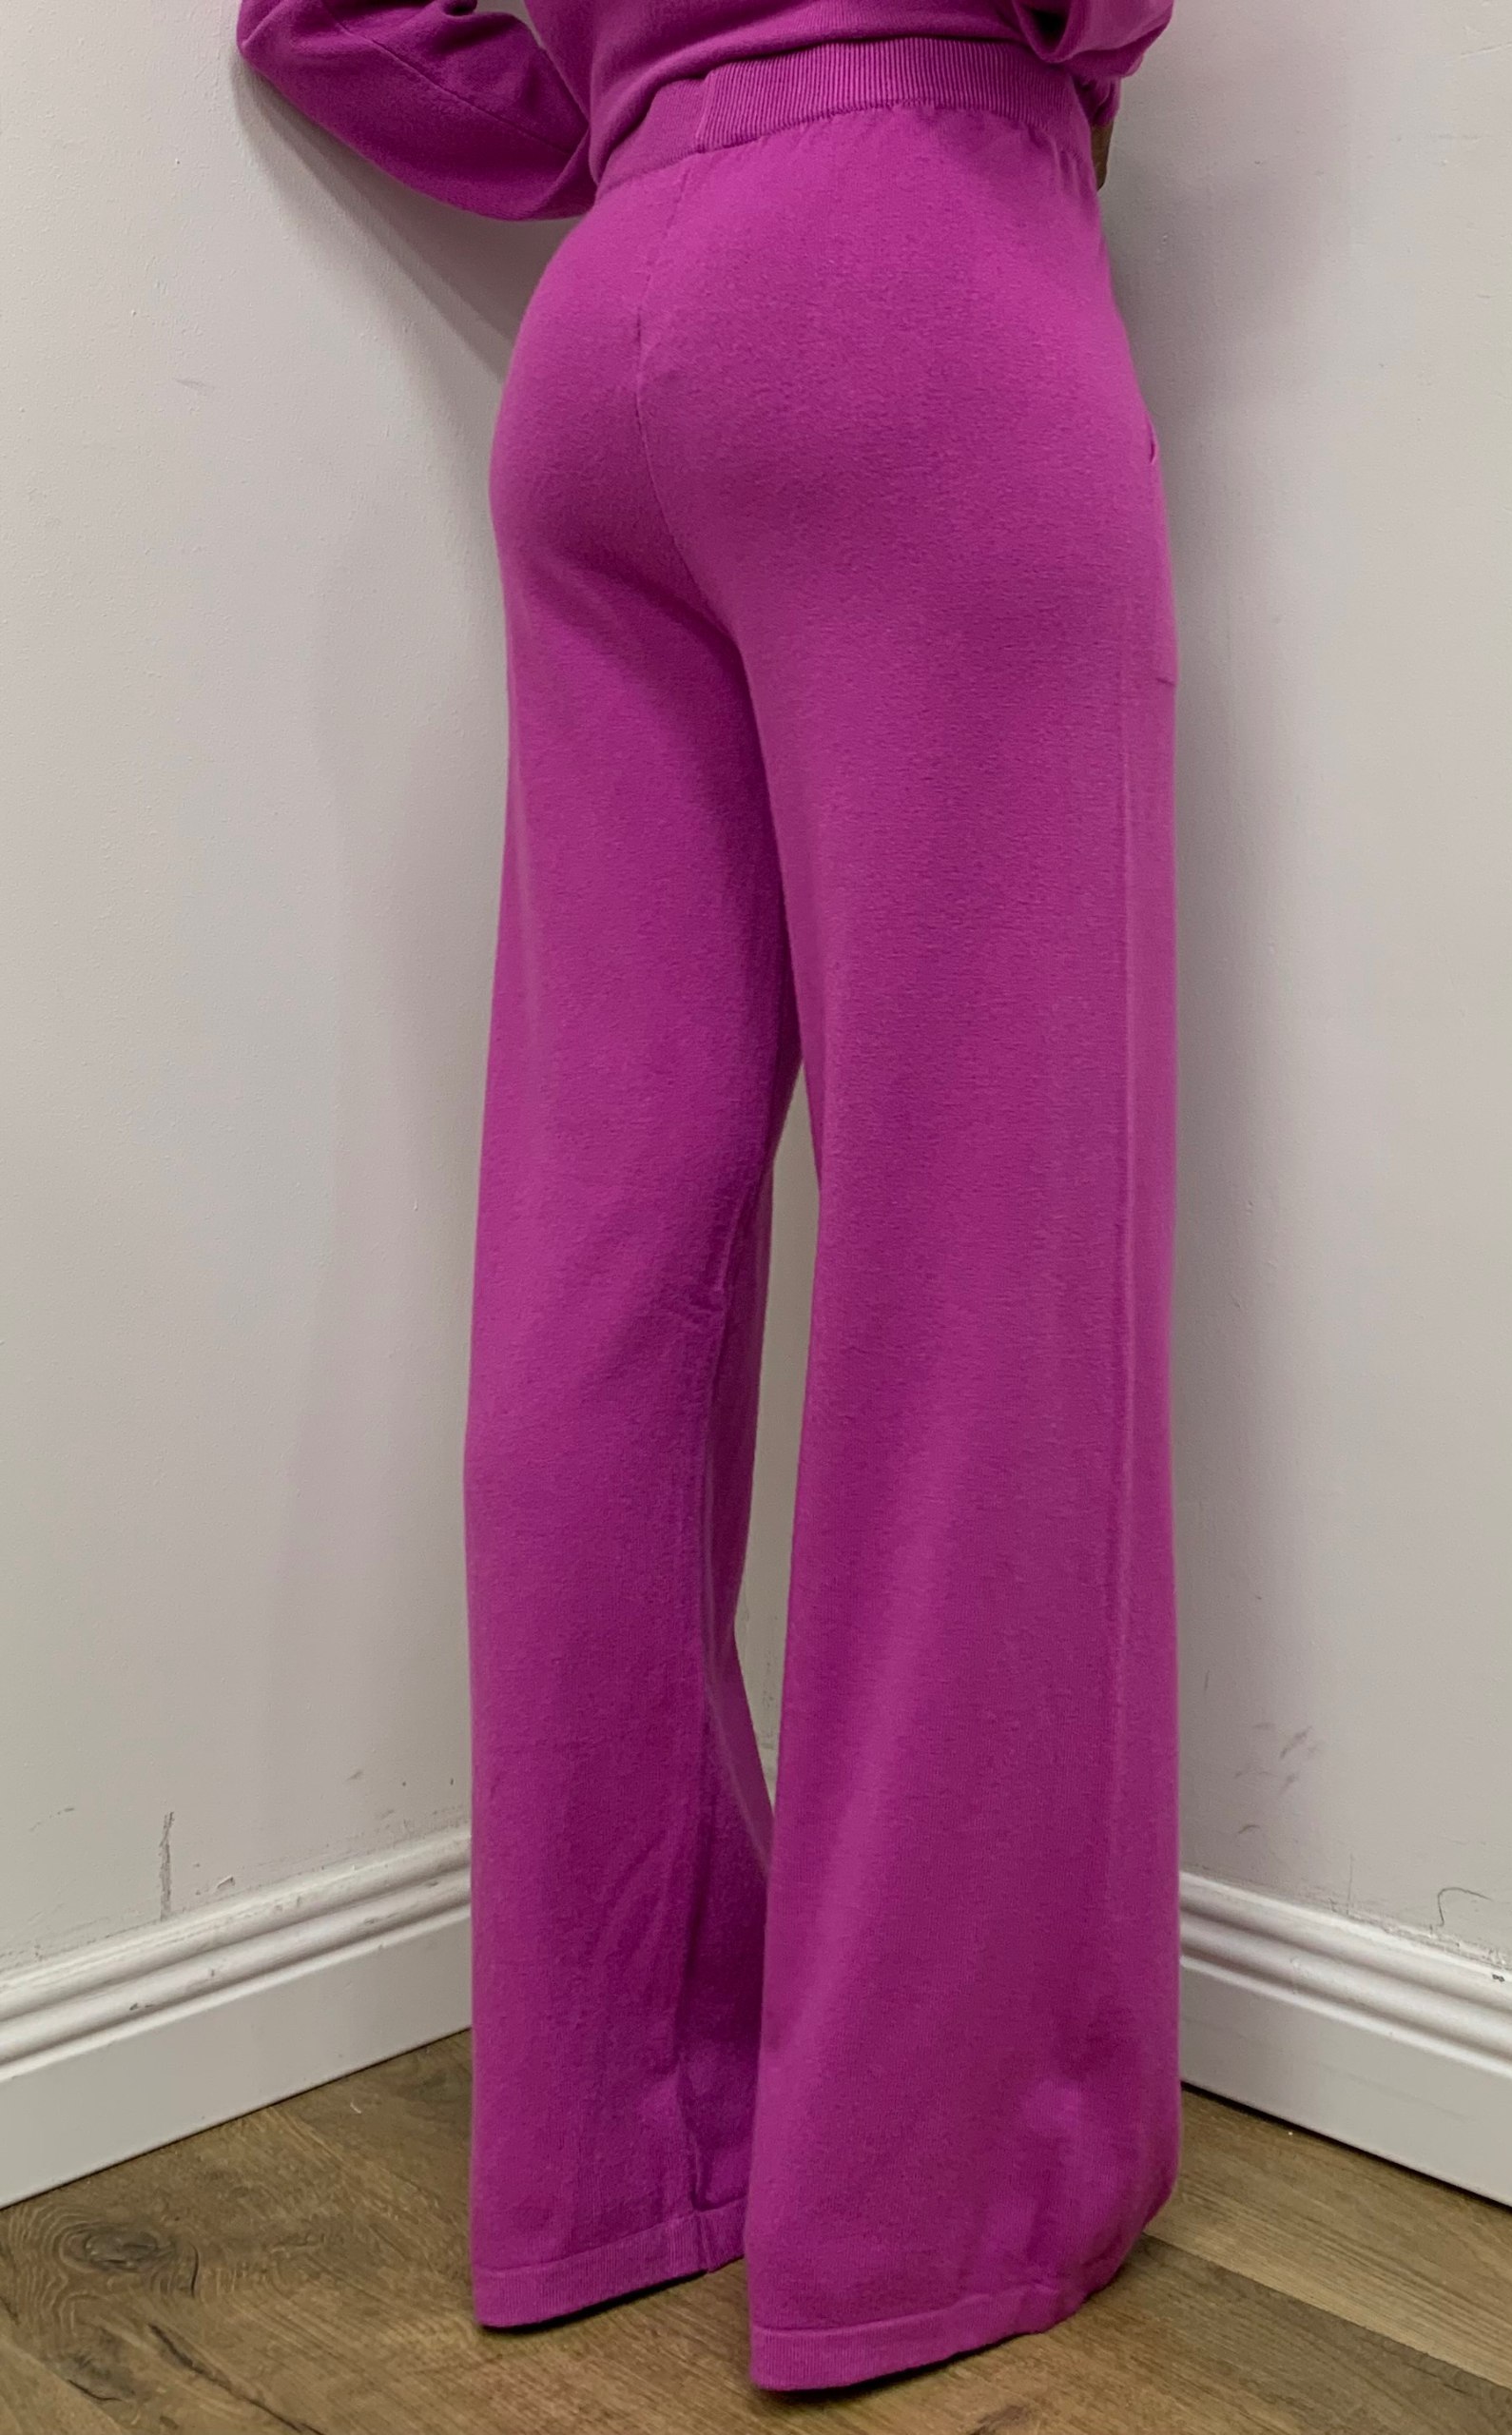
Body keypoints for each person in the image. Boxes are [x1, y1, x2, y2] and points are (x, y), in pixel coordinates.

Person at [235, 0, 1180, 2393]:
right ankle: (933, 2190)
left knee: (603, 1263)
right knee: (979, 1276)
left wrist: (639, 104)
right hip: (920, 262)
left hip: (616, 325)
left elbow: (312, 21)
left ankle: (618, 2141)